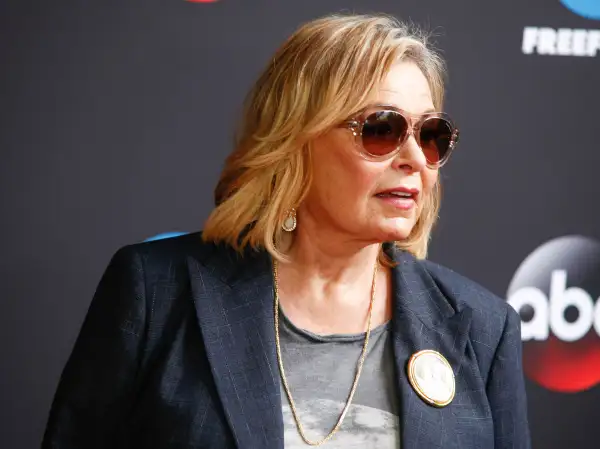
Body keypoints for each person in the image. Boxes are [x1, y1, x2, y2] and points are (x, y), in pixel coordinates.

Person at [42, 13, 531, 449]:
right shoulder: (156, 293)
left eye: (431, 135)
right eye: (382, 129)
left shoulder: (484, 330)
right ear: (296, 139)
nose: (414, 159)